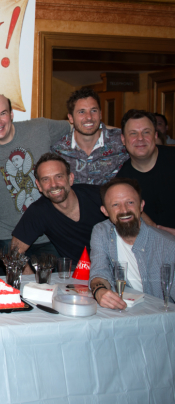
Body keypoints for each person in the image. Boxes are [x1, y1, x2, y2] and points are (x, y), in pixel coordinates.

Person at [0, 94, 69, 276]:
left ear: (11, 115)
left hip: (48, 235)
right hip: (7, 237)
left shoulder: (39, 128)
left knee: (49, 294)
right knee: (12, 296)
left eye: (2, 113)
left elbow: (82, 125)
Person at [89, 178, 175, 310]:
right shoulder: (102, 232)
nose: (124, 210)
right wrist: (99, 291)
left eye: (130, 202)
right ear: (105, 211)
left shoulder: (168, 246)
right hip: (128, 314)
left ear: (141, 205)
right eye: (115, 205)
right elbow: (100, 271)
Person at [11, 153, 105, 265]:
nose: (53, 184)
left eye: (59, 177)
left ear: (70, 178)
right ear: (39, 186)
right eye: (46, 179)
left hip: (113, 266)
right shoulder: (38, 211)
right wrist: (29, 279)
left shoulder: (100, 196)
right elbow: (14, 251)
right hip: (76, 274)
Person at [51, 87, 128, 185]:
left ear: (100, 114)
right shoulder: (58, 149)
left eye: (94, 110)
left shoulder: (121, 141)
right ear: (71, 118)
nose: (89, 117)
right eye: (82, 112)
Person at [116, 109, 175, 233]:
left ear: (155, 135)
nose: (140, 138)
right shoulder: (123, 182)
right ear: (123, 139)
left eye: (146, 132)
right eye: (133, 133)